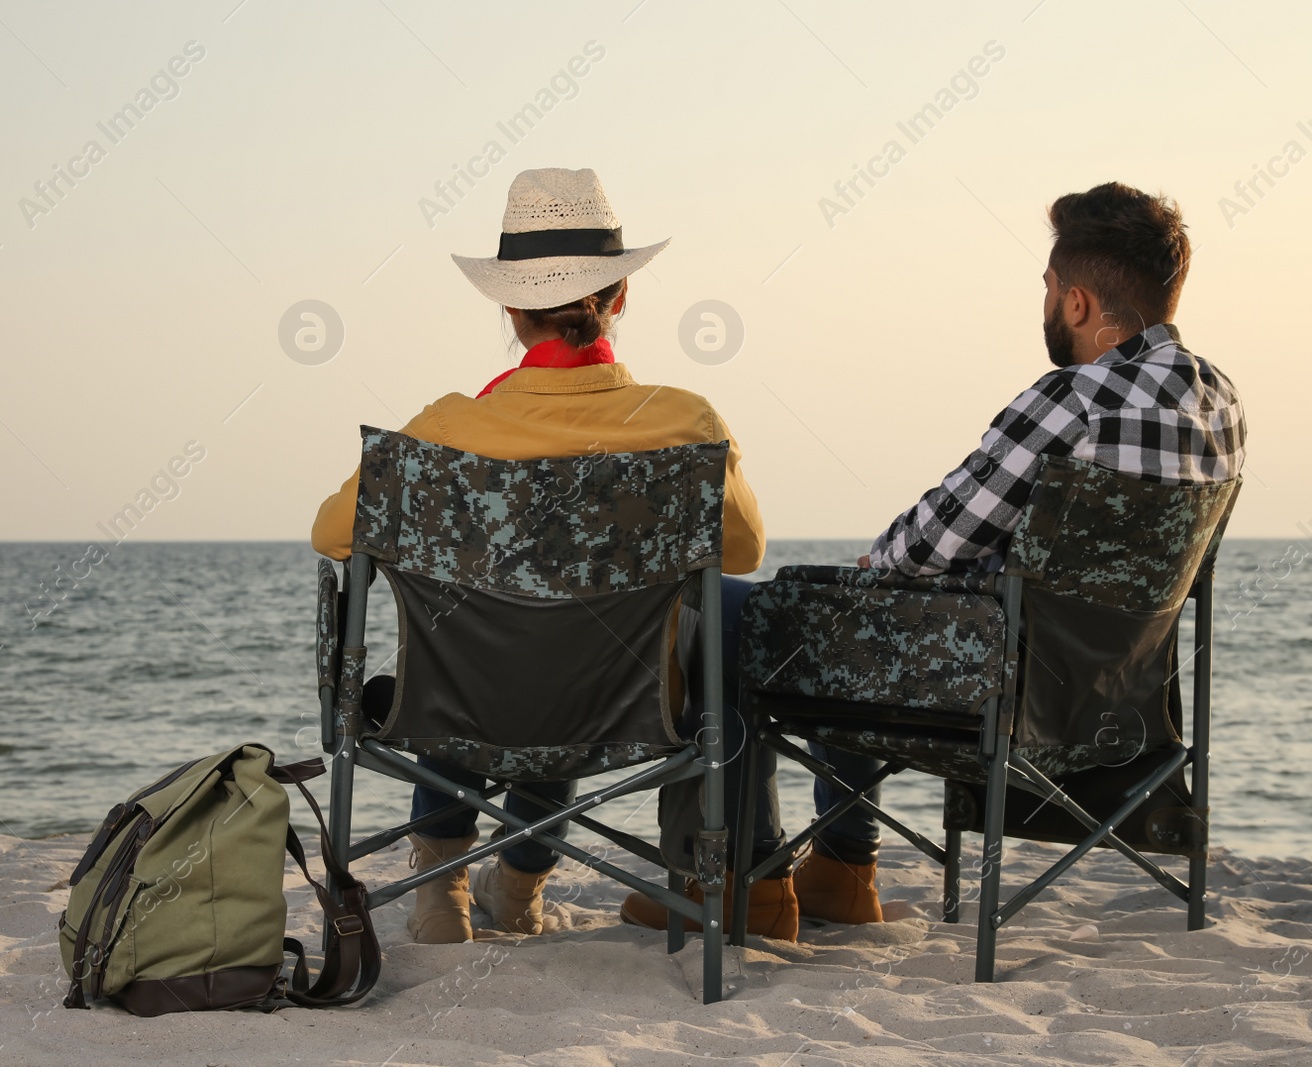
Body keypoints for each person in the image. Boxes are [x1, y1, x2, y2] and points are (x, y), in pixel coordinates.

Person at [309, 167, 795, 944]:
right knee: (588, 648)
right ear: (621, 297)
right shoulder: (683, 424)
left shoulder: (441, 433)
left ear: (508, 306)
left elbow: (330, 531)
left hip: (463, 705)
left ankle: (442, 886)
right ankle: (525, 879)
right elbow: (744, 548)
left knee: (479, 640)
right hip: (621, 708)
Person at [803, 181, 1247, 921]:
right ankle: (837, 871)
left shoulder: (1073, 398)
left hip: (1011, 711)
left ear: (1077, 302)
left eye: (1047, 288)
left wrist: (867, 569)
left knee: (805, 617)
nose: (1043, 304)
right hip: (1130, 719)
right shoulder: (1223, 403)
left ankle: (836, 868)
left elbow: (932, 542)